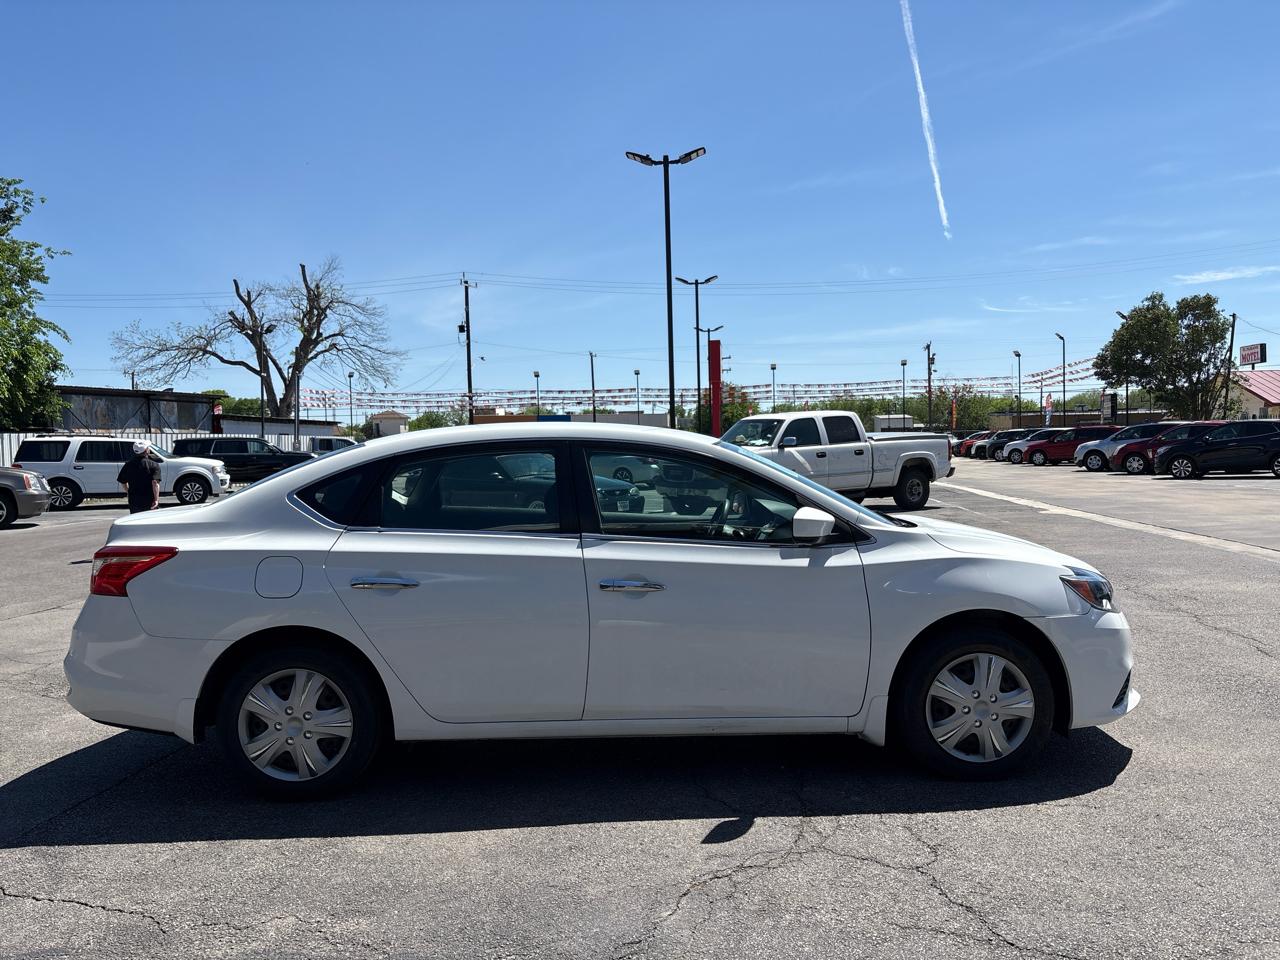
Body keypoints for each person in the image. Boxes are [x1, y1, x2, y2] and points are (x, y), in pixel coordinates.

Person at [117, 441, 161, 514]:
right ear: (146, 450)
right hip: (149, 499)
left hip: (134, 500)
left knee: (136, 519)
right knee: (150, 518)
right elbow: (155, 483)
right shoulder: (154, 465)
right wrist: (156, 499)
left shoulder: (128, 465)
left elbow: (123, 481)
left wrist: (128, 492)